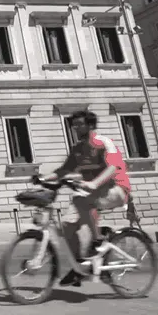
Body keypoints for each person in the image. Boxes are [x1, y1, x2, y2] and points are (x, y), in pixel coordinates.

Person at [39, 110, 132, 287]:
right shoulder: (77, 149)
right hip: (91, 192)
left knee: (82, 201)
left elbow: (114, 166)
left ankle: (97, 241)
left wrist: (95, 183)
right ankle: (79, 267)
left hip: (116, 188)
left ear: (90, 125)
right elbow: (63, 171)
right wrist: (43, 178)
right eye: (74, 125)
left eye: (80, 124)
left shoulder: (103, 142)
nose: (76, 128)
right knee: (66, 224)